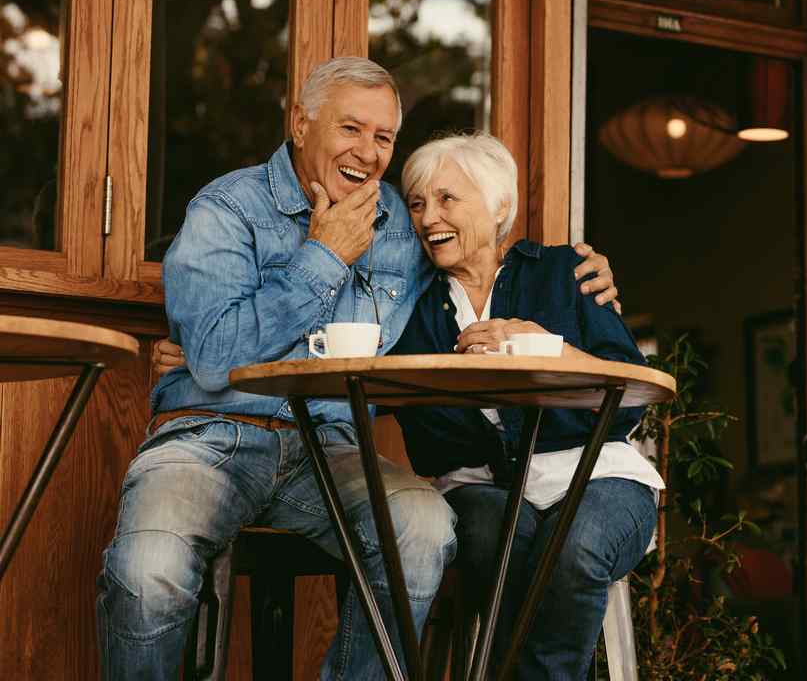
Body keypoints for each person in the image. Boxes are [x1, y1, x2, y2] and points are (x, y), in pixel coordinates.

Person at [99, 56, 620, 681]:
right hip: (213, 434)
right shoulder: (227, 209)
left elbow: (478, 254)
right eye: (351, 129)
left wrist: (577, 274)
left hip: (333, 447)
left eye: (384, 138)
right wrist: (322, 257)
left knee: (425, 532)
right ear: (300, 123)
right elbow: (212, 358)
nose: (368, 152)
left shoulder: (403, 223)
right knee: (147, 567)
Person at [390, 132, 661, 681]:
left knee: (575, 547)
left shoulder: (565, 272)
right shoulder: (414, 309)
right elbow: (427, 441)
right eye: (417, 203)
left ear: (499, 210)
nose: (427, 217)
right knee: (500, 544)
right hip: (481, 487)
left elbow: (628, 399)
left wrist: (551, 349)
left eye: (447, 199)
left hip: (598, 476)